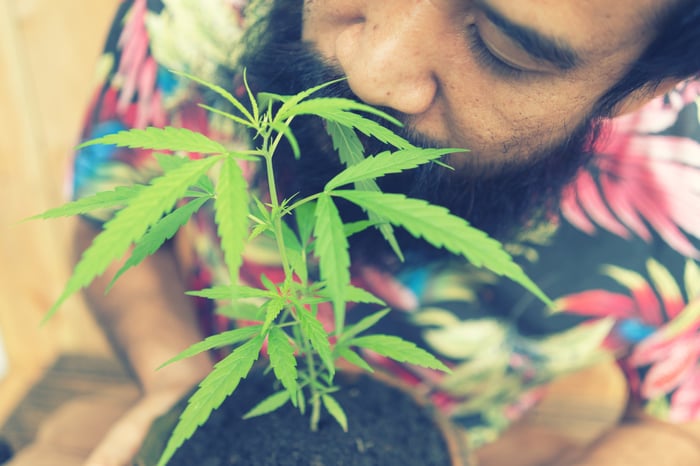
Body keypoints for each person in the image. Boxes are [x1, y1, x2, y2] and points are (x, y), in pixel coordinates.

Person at [66, 0, 700, 465]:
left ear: (644, 85)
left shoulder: (678, 183)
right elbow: (113, 211)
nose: (370, 71)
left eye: (503, 49)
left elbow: (682, 419)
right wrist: (176, 386)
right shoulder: (192, 19)